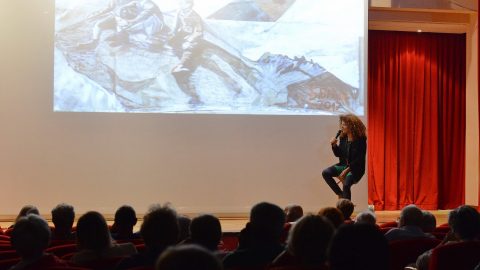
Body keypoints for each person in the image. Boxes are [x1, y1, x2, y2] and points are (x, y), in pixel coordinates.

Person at [322, 114, 367, 200]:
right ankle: (340, 194)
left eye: (344, 125)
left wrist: (346, 170)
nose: (342, 127)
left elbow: (359, 159)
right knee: (326, 173)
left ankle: (346, 209)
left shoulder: (360, 140)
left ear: (352, 126)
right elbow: (339, 154)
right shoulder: (343, 138)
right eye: (341, 124)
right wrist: (334, 146)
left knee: (346, 184)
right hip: (343, 165)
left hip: (355, 169)